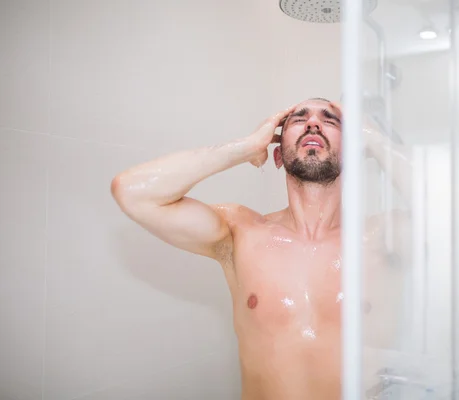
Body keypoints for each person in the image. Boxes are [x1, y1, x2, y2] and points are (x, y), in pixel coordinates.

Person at [111, 98, 410, 400]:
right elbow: (132, 192)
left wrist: (371, 137)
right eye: (298, 119)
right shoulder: (240, 231)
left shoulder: (381, 239)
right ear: (277, 155)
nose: (313, 123)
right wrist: (245, 147)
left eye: (329, 120)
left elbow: (453, 214)